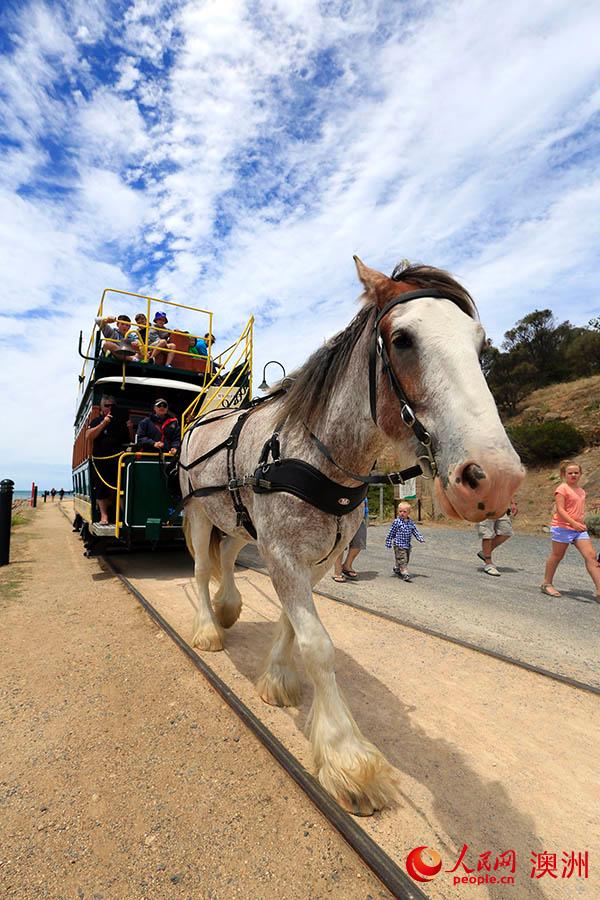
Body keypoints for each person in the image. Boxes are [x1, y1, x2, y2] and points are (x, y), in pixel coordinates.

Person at [541, 461, 600, 600]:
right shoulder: (562, 489)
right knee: (557, 556)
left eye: (576, 473)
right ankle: (546, 583)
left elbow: (576, 508)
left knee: (591, 556)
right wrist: (573, 523)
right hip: (562, 528)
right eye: (570, 473)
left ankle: (599, 590)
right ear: (564, 474)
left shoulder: (581, 491)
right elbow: (560, 510)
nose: (573, 475)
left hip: (578, 529)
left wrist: (580, 520)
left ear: (580, 474)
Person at [86, 395, 132, 524]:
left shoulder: (120, 423)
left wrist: (129, 427)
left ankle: (124, 516)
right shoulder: (96, 420)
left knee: (122, 487)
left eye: (112, 406)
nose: (110, 408)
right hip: (100, 461)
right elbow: (89, 436)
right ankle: (104, 516)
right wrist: (104, 423)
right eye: (107, 405)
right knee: (101, 489)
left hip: (118, 460)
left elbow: (130, 441)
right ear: (102, 407)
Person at [476, 498, 518, 576]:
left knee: (506, 531)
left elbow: (507, 487)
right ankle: (488, 564)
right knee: (487, 533)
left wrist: (513, 503)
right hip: (484, 505)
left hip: (500, 506)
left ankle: (484, 553)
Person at [385, 501, 425, 582]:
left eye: (404, 512)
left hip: (407, 544)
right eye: (400, 511)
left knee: (404, 557)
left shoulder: (410, 522)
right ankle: (405, 572)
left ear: (408, 513)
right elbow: (391, 532)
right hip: (399, 544)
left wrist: (420, 538)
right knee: (403, 559)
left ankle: (397, 568)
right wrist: (388, 541)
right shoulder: (397, 522)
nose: (402, 513)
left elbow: (415, 531)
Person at [332, 498, 369, 582]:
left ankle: (347, 565)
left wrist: (366, 516)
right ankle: (337, 571)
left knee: (359, 542)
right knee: (340, 545)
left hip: (359, 518)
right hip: (342, 516)